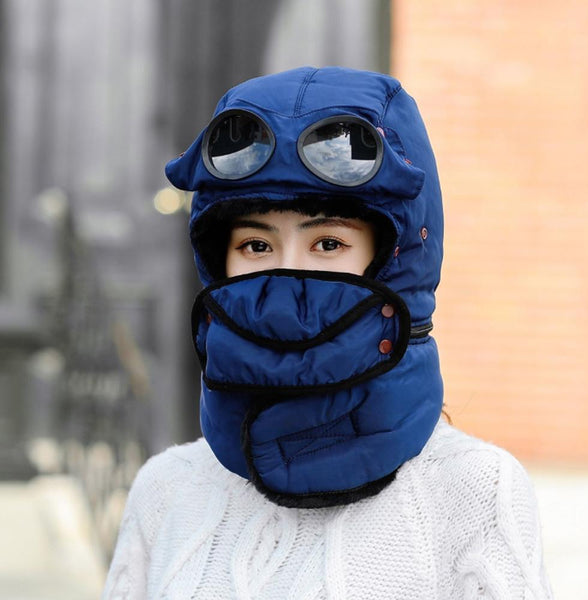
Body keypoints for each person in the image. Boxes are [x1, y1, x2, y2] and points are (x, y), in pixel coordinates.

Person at [102, 67, 553, 599]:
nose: (288, 279)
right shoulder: (165, 490)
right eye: (256, 246)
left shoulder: (474, 493)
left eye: (329, 244)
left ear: (396, 263)